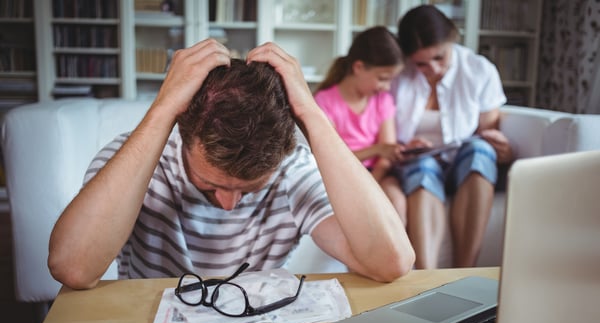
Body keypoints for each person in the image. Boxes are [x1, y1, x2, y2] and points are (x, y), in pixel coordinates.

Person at [48, 39, 415, 289]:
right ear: (182, 133)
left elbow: (391, 263)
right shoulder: (138, 160)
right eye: (209, 185)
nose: (229, 205)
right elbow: (73, 268)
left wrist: (312, 116)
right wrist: (163, 108)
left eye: (249, 189)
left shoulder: (293, 170)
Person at [391, 5, 513, 269]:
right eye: (421, 63)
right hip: (417, 163)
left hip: (463, 164)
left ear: (452, 39)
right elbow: (382, 131)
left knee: (480, 150)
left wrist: (501, 148)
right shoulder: (398, 76)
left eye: (439, 57)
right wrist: (401, 146)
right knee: (422, 168)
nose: (432, 68)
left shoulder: (479, 70)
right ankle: (427, 277)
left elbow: (487, 132)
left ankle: (464, 271)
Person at [314, 27, 407, 223]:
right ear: (358, 67)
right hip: (342, 176)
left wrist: (372, 183)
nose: (387, 87)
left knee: (397, 200)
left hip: (377, 175)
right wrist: (377, 150)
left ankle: (401, 254)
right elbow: (331, 159)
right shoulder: (325, 102)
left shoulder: (383, 100)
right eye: (383, 79)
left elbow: (386, 155)